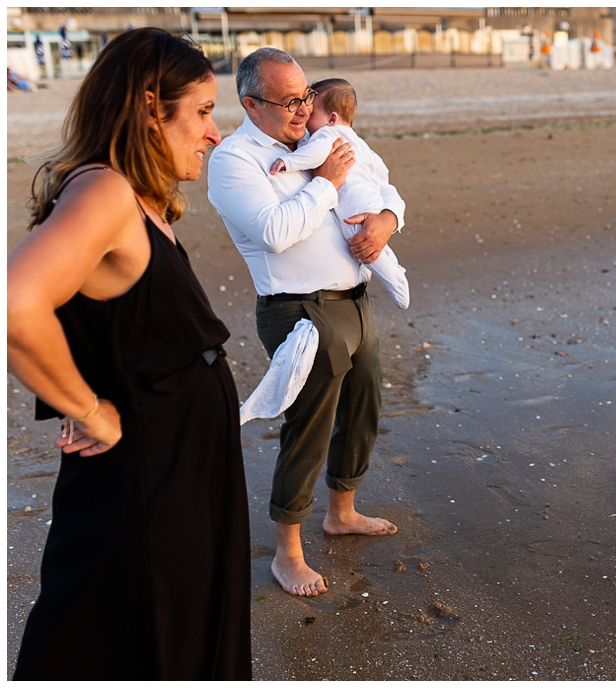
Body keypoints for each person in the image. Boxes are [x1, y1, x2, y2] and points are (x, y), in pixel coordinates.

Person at [7, 28, 251, 679]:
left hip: (177, 468)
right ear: (149, 107)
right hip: (149, 482)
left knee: (165, 633)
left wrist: (77, 385)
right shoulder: (107, 193)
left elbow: (106, 323)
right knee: (134, 639)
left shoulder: (131, 197)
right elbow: (15, 303)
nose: (214, 132)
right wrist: (87, 407)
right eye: (201, 111)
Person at [207, 47, 403, 598]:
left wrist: (387, 221)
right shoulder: (235, 159)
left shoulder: (320, 139)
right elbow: (275, 231)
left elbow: (383, 187)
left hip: (356, 301)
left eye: (305, 97)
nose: (301, 108)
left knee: (364, 409)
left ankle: (342, 511)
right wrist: (328, 182)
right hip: (299, 309)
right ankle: (287, 555)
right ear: (251, 102)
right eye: (289, 101)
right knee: (308, 428)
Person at [269, 77, 409, 310]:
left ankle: (398, 283)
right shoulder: (360, 142)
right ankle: (396, 273)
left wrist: (288, 161)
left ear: (331, 119)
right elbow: (382, 172)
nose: (305, 113)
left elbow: (315, 154)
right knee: (377, 249)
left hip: (355, 205)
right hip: (370, 196)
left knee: (368, 248)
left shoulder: (326, 135)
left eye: (312, 110)